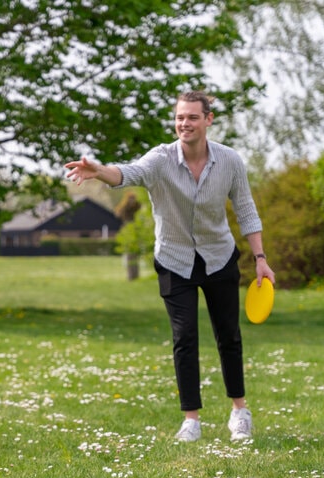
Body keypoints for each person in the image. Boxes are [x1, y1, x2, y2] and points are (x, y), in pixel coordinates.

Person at [64, 91, 275, 442]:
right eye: (180, 117)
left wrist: (261, 259)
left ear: (208, 119)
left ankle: (240, 411)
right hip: (175, 261)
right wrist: (98, 171)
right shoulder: (160, 159)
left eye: (192, 117)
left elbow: (246, 210)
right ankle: (191, 420)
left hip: (219, 256)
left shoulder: (230, 161)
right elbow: (128, 173)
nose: (184, 124)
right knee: (184, 337)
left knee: (229, 336)